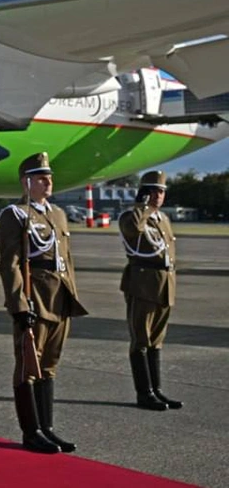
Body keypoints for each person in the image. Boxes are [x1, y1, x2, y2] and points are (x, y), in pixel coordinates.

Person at [0, 152, 87, 455]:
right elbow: (10, 264)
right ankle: (31, 431)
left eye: (49, 177)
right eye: (41, 177)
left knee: (49, 366)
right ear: (27, 182)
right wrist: (19, 304)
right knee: (29, 366)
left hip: (59, 297)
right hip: (34, 298)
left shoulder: (57, 214)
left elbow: (66, 261)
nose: (48, 182)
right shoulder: (15, 214)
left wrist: (71, 296)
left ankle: (47, 428)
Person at [119, 170, 182, 411]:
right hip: (142, 284)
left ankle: (156, 390)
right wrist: (142, 206)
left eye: (162, 191)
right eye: (153, 191)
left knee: (156, 340)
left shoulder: (163, 219)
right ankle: (144, 393)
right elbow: (133, 230)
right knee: (141, 339)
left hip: (164, 283)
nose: (158, 195)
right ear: (144, 193)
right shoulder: (131, 216)